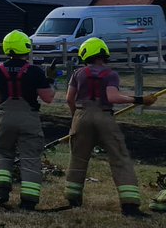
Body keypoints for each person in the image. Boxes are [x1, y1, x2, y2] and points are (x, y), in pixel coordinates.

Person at [64, 37, 158, 217]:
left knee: (78, 157)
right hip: (104, 116)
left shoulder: (78, 73)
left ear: (85, 54)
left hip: (81, 115)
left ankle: (73, 199)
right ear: (104, 54)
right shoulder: (110, 74)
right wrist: (139, 100)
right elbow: (113, 97)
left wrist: (76, 117)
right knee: (119, 157)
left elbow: (69, 99)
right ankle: (130, 206)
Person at [0, 30, 55, 210]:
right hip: (28, 118)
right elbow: (48, 98)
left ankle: (1, 191)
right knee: (30, 157)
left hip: (4, 117)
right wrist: (50, 80)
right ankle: (28, 201)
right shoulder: (35, 71)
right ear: (26, 47)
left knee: (2, 152)